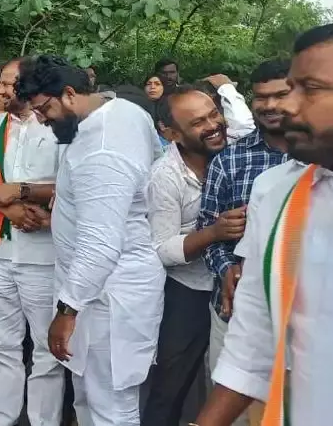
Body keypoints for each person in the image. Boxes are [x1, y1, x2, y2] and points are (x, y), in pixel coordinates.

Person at [194, 24, 333, 425]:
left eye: (310, 89)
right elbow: (252, 341)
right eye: (292, 88)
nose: (288, 106)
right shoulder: (277, 191)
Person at [16, 55, 164, 426]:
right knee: (88, 395)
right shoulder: (123, 111)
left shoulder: (103, 149)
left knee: (111, 405)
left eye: (44, 109)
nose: (42, 119)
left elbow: (100, 244)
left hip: (108, 296)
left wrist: (66, 312)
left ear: (69, 94)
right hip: (94, 289)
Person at [0, 58, 63, 426]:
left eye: (11, 83)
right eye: (1, 84)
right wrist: (7, 208)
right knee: (2, 342)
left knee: (45, 345)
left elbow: (71, 184)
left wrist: (30, 201)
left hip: (44, 253)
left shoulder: (56, 128)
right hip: (0, 251)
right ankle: (2, 417)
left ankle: (43, 420)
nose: (4, 90)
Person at [198, 58, 291, 426]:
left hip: (303, 319)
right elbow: (209, 230)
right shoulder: (230, 160)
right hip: (235, 311)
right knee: (232, 411)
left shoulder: (319, 158)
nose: (270, 105)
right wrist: (227, 271)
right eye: (261, 97)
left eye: (280, 95)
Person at [141, 86, 233, 425]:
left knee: (235, 383)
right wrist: (212, 233)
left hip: (235, 287)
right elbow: (161, 249)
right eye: (198, 123)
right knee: (171, 387)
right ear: (171, 134)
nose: (213, 126)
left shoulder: (235, 155)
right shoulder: (164, 177)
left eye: (214, 114)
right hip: (188, 292)